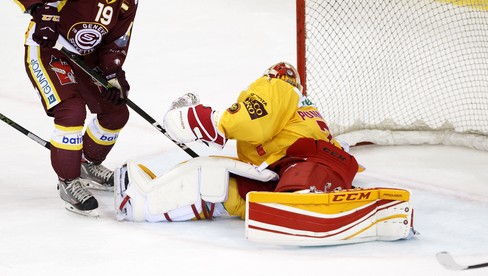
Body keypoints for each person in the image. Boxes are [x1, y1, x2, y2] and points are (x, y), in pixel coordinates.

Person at [114, 62, 414, 245]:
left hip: (308, 165)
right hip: (279, 176)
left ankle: (307, 198)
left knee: (303, 172)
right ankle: (140, 200)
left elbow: (247, 122)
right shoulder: (300, 112)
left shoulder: (279, 88)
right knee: (214, 182)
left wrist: (194, 118)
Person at [11, 0, 150, 217]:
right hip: (48, 53)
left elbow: (116, 42)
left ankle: (86, 161)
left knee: (115, 112)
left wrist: (113, 74)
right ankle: (68, 180)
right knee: (71, 111)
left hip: (84, 59)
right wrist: (41, 13)